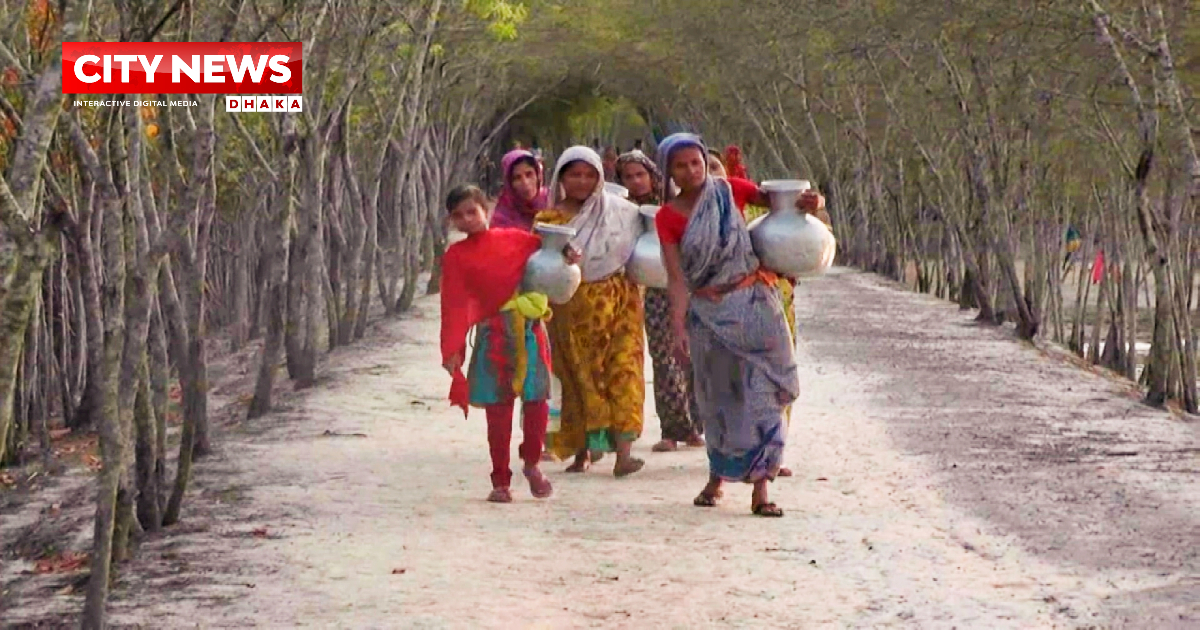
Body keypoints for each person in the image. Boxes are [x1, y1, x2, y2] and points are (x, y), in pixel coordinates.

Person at [654, 133, 825, 517]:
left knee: (764, 394)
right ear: (668, 172)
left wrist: (816, 202)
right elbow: (677, 277)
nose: (691, 170)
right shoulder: (667, 218)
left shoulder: (730, 190)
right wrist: (678, 327)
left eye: (696, 162)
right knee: (718, 399)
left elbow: (785, 205)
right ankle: (717, 478)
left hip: (755, 304)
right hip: (709, 315)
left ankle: (761, 491)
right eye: (680, 166)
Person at [439, 185, 580, 503]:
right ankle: (500, 480)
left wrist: (569, 253)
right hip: (494, 336)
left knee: (537, 402)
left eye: (471, 211)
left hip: (531, 332)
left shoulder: (517, 239)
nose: (467, 219)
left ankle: (532, 464)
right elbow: (453, 303)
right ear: (452, 221)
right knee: (498, 410)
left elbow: (552, 252)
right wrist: (453, 348)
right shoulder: (456, 257)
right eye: (459, 215)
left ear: (485, 208)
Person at [537, 146, 646, 477]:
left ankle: (624, 454)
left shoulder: (622, 213)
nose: (582, 182)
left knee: (625, 370)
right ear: (561, 178)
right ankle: (584, 449)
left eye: (589, 175)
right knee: (581, 375)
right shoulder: (549, 221)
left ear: (600, 178)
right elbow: (542, 264)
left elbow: (637, 250)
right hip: (572, 308)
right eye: (574, 174)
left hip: (621, 301)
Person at [615, 149, 704, 452]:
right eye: (628, 176)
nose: (636, 181)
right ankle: (672, 428)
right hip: (642, 289)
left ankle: (696, 426)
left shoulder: (673, 206)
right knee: (664, 359)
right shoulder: (622, 211)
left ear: (654, 175)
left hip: (678, 285)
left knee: (691, 357)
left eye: (640, 174)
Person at [491, 149, 549, 232]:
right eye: (517, 178)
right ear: (509, 183)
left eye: (529, 174)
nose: (525, 182)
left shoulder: (552, 201)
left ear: (538, 175)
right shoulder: (502, 217)